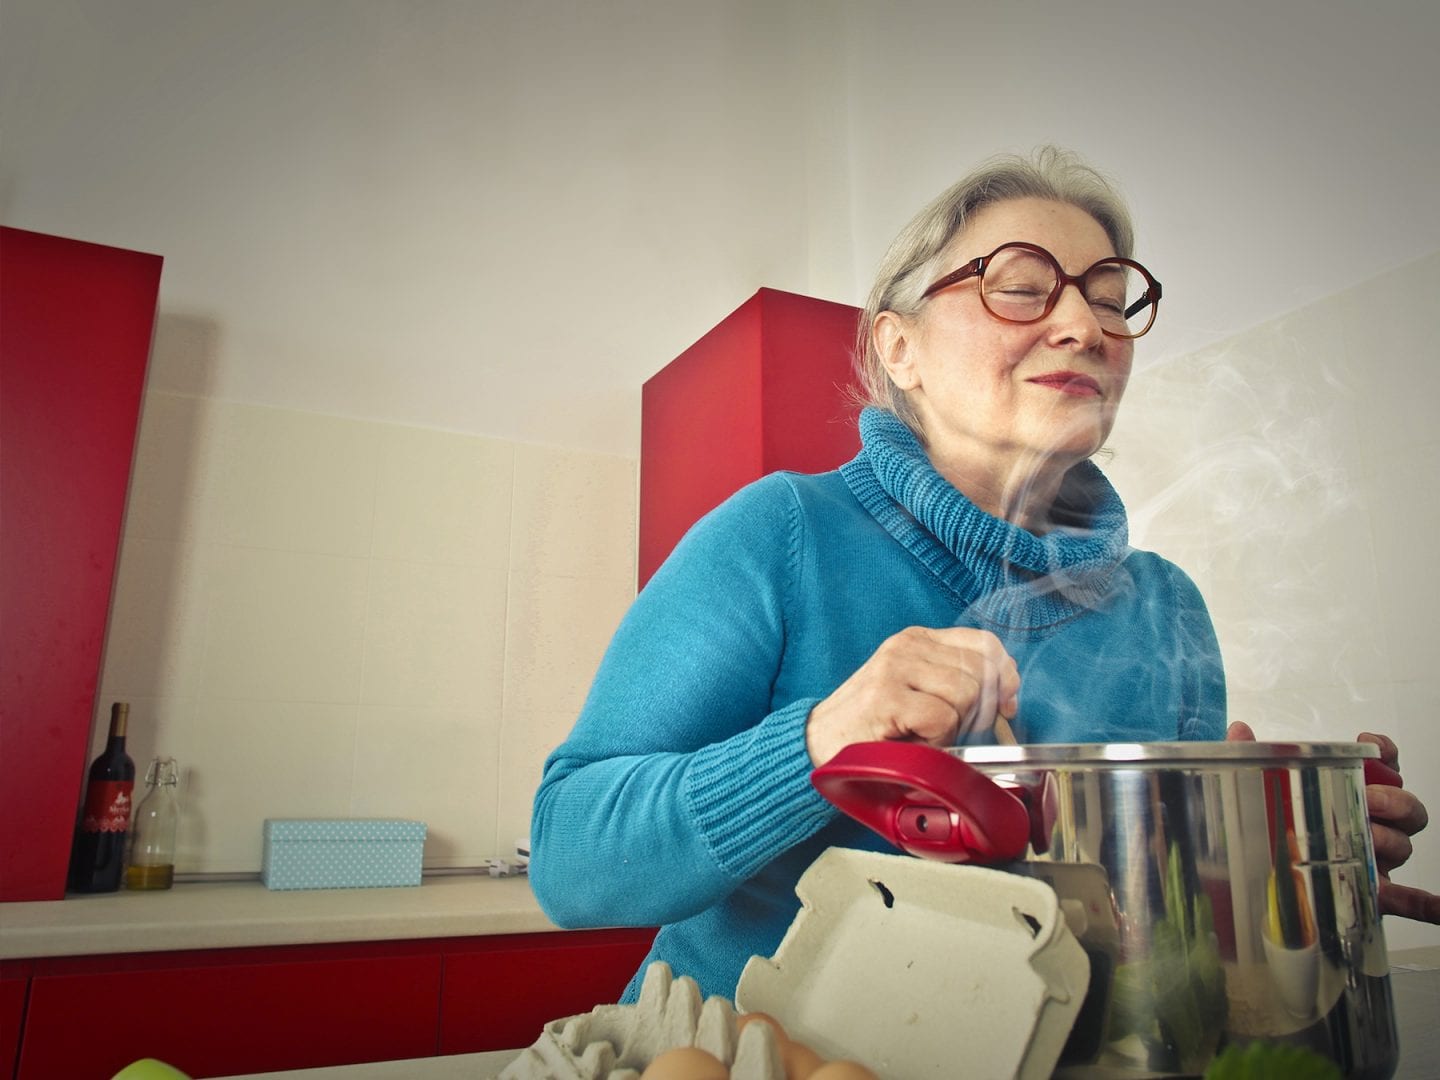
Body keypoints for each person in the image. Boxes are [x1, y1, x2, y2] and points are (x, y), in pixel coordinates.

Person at [529, 147, 1437, 1004]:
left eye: (1112, 300)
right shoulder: (784, 532)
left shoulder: (1164, 606)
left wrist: (1265, 866)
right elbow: (571, 857)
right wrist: (820, 739)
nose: (1084, 325)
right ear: (900, 349)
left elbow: (1146, 938)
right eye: (1019, 287)